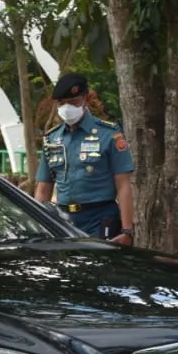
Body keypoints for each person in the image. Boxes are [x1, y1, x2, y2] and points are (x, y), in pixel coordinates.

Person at [35, 72, 136, 243]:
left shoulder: (109, 135)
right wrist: (37, 228)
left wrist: (127, 230)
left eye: (73, 102)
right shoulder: (52, 139)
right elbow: (43, 189)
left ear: (85, 99)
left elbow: (123, 184)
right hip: (63, 220)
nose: (67, 108)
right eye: (62, 103)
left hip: (101, 217)